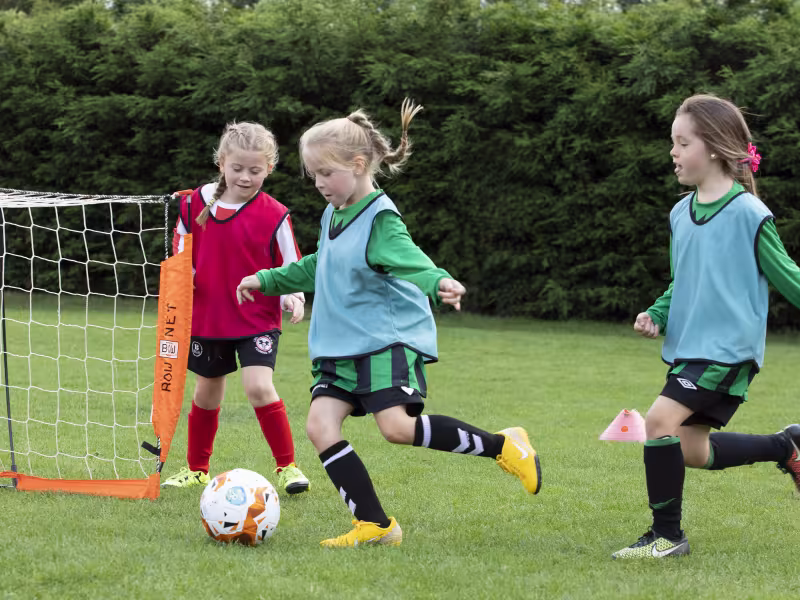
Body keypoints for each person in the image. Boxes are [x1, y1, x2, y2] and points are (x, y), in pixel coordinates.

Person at [236, 99, 542, 547]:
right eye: (314, 174)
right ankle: (376, 526)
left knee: (396, 427)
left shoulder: (380, 220)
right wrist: (268, 279)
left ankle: (505, 445)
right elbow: (322, 265)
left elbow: (412, 261)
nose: (319, 183)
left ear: (358, 165)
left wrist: (440, 282)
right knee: (321, 426)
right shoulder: (332, 214)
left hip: (384, 342)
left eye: (327, 173)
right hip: (340, 346)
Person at [612, 94, 800, 559]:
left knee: (657, 422)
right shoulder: (680, 213)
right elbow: (683, 281)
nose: (673, 153)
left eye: (682, 143)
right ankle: (787, 445)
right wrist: (656, 313)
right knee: (693, 452)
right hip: (690, 350)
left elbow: (790, 280)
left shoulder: (750, 216)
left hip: (727, 352)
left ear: (714, 148)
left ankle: (666, 537)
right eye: (672, 143)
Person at [161, 121, 310, 495]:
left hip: (256, 316)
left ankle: (288, 467)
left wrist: (294, 295)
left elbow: (292, 265)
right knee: (206, 391)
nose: (245, 177)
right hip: (209, 316)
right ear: (222, 163)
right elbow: (182, 248)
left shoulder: (274, 213)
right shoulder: (193, 204)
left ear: (269, 169)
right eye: (237, 168)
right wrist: (186, 275)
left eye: (255, 171)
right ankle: (197, 469)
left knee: (258, 386)